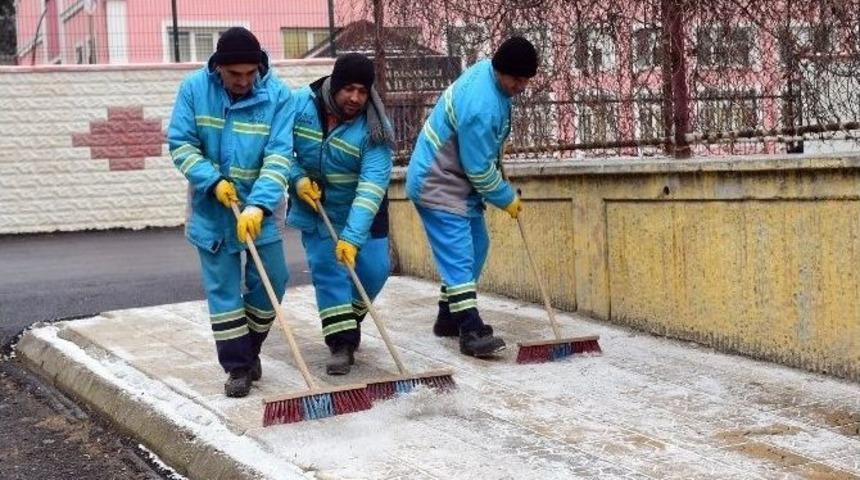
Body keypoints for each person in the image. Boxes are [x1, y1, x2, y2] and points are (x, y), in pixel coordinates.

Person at [167, 27, 295, 397]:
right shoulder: (194, 90)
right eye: (234, 74)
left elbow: (278, 156)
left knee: (274, 280)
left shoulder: (278, 97)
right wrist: (211, 180)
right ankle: (238, 367)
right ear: (218, 68)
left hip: (261, 210)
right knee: (224, 292)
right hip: (212, 211)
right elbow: (181, 143)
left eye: (249, 73)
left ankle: (250, 348)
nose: (243, 81)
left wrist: (258, 204)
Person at [405, 36, 538, 357]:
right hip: (437, 181)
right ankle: (470, 328)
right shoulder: (482, 104)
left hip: (456, 181)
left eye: (526, 80)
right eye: (517, 79)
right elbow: (478, 169)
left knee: (478, 246)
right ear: (499, 70)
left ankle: (447, 317)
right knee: (460, 254)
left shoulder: (490, 78)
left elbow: (483, 154)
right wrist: (505, 197)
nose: (521, 86)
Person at [287, 53, 394, 375]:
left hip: (363, 210)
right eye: (348, 89)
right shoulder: (299, 106)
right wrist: (297, 178)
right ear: (333, 84)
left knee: (375, 271)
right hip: (316, 206)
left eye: (363, 91)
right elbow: (277, 150)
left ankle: (346, 319)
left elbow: (372, 187)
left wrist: (351, 236)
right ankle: (341, 343)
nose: (355, 98)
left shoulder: (376, 130)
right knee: (329, 271)